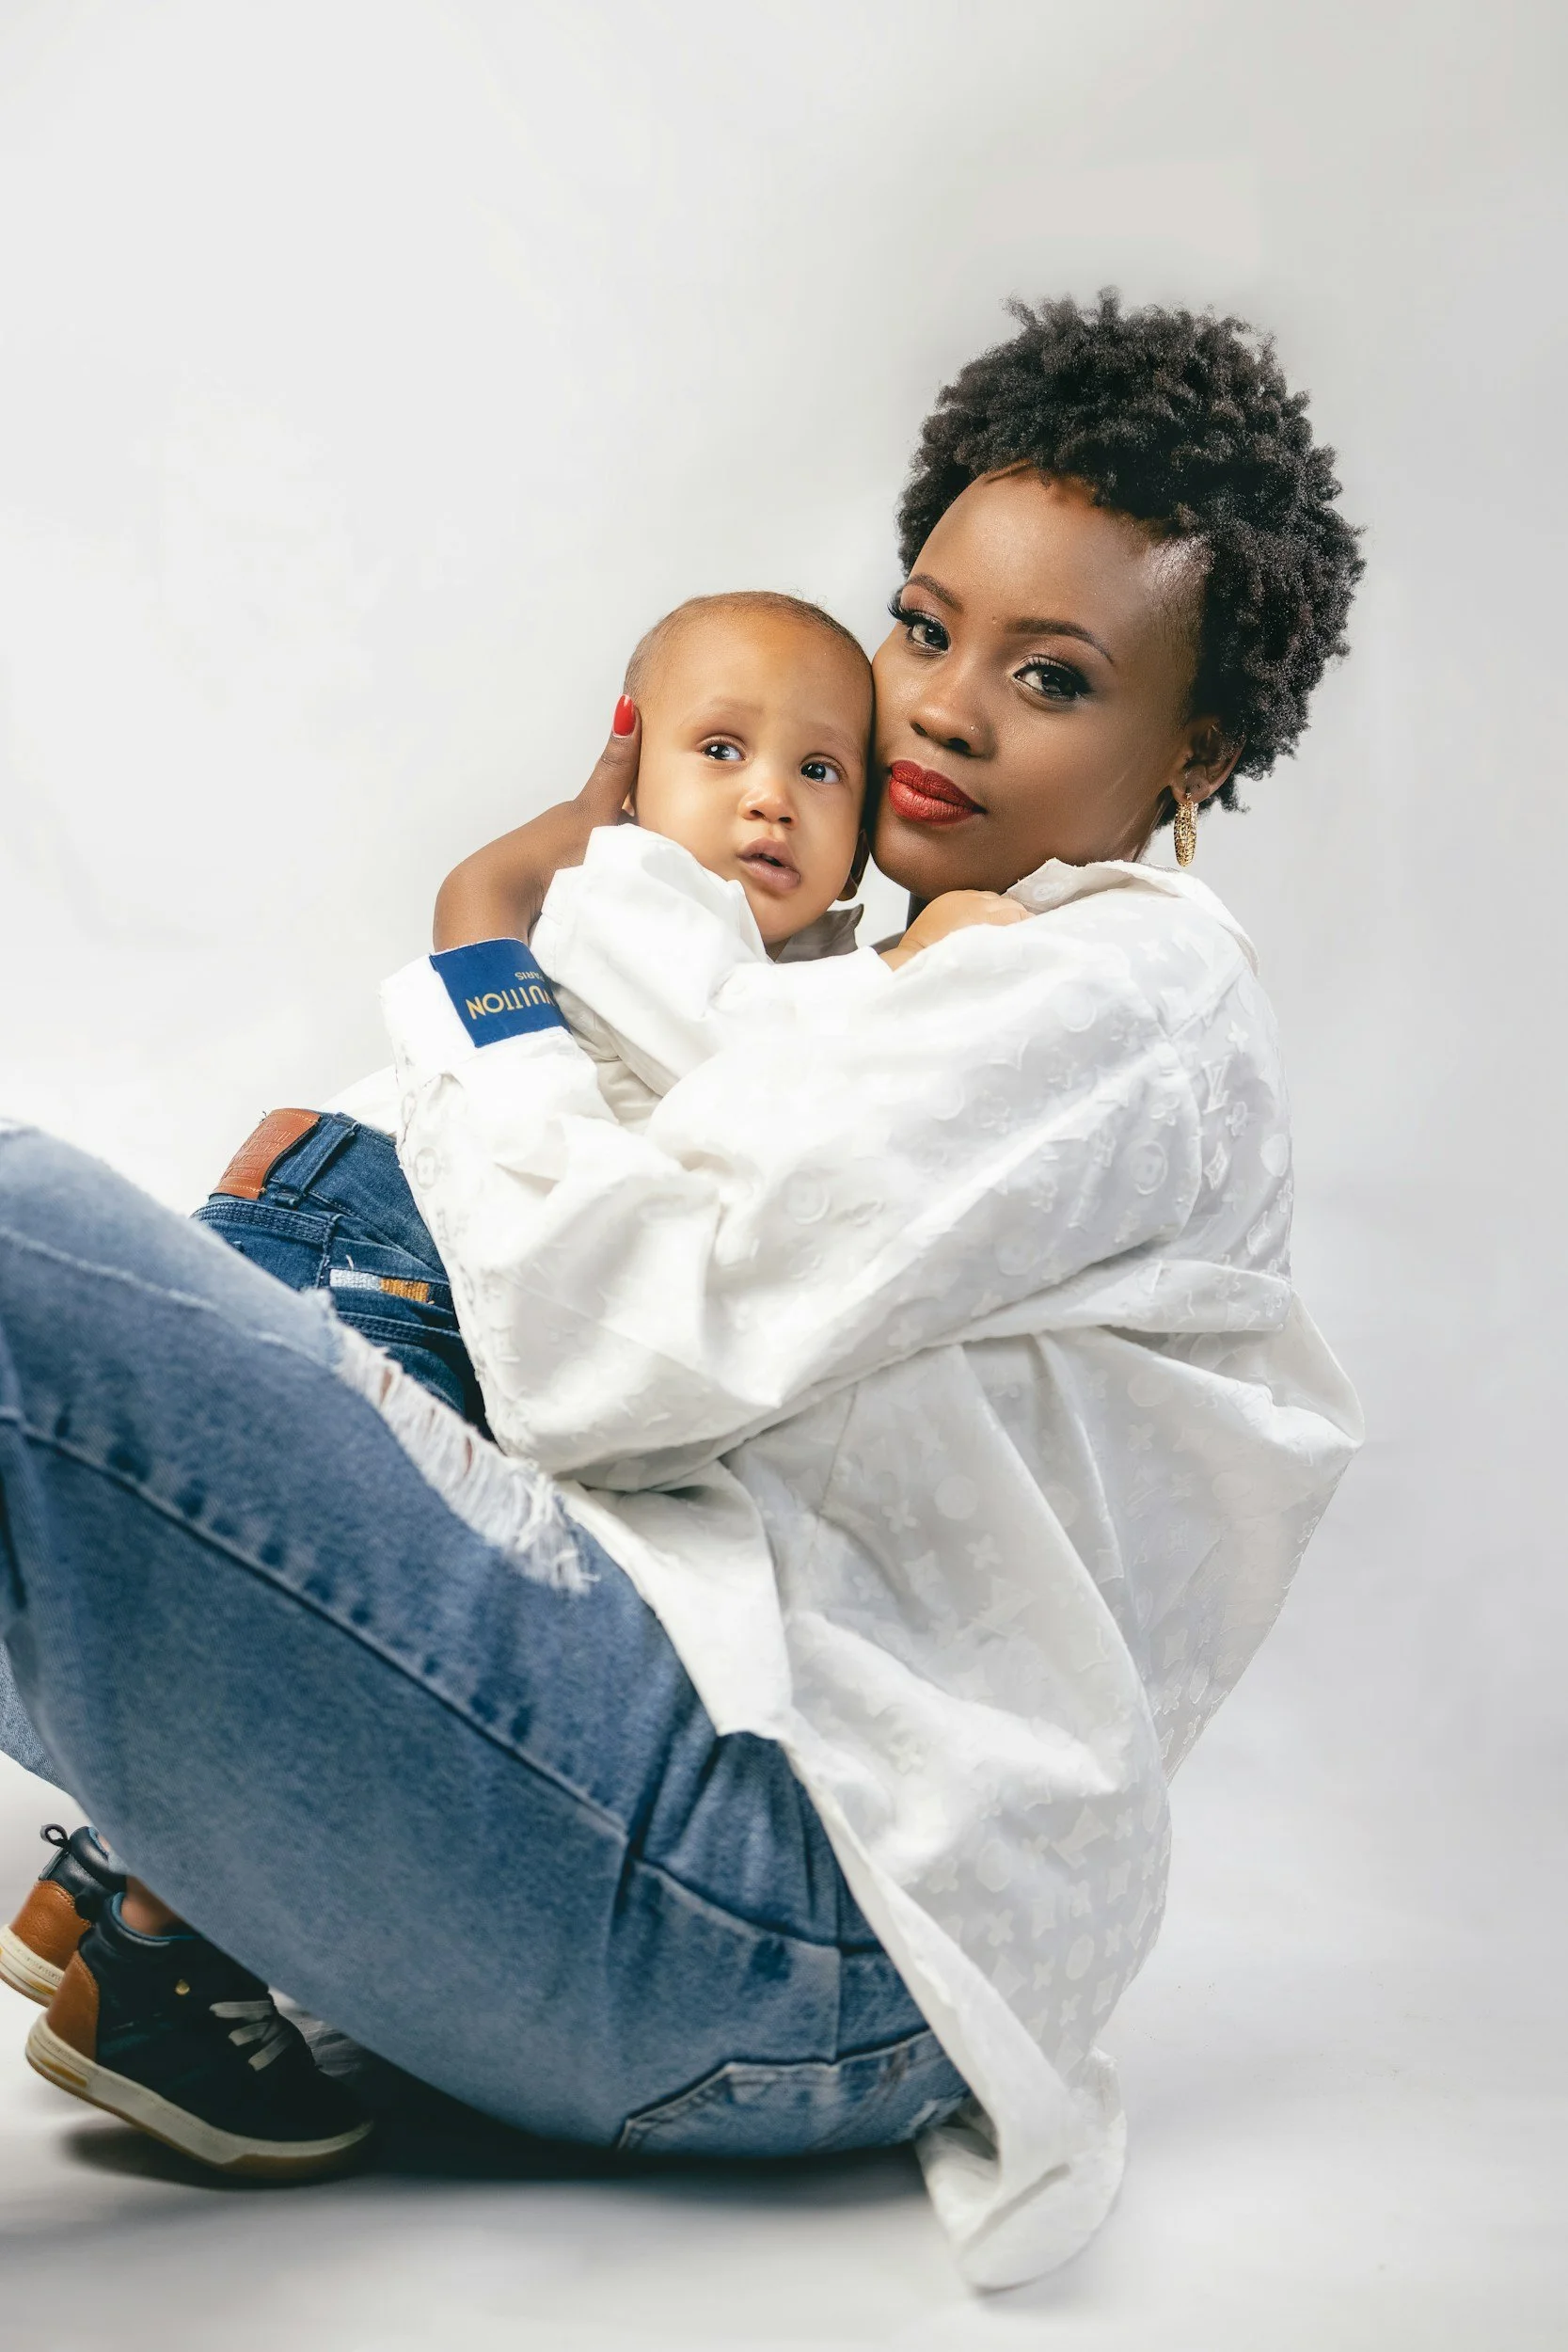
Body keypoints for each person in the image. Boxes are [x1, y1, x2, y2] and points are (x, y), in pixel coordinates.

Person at [0, 294, 1364, 2286]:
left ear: (1195, 752)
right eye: (922, 626)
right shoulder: (877, 976)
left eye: (1051, 675)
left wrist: (484, 953)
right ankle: (205, 1919)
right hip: (703, 1878)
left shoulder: (1114, 994)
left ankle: (193, 1903)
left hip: (791, 1918)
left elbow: (584, 1345)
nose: (949, 708)